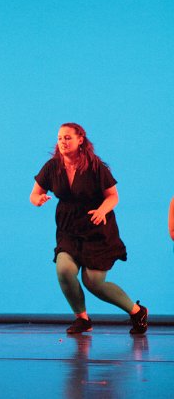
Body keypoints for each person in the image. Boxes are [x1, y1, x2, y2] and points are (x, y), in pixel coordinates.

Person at [29, 122, 147, 335]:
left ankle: (137, 312)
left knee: (93, 282)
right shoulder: (52, 166)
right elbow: (34, 194)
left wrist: (102, 211)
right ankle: (82, 319)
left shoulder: (95, 166)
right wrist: (38, 200)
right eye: (60, 138)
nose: (63, 142)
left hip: (97, 230)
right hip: (68, 229)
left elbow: (113, 197)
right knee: (64, 270)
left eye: (68, 137)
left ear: (80, 139)